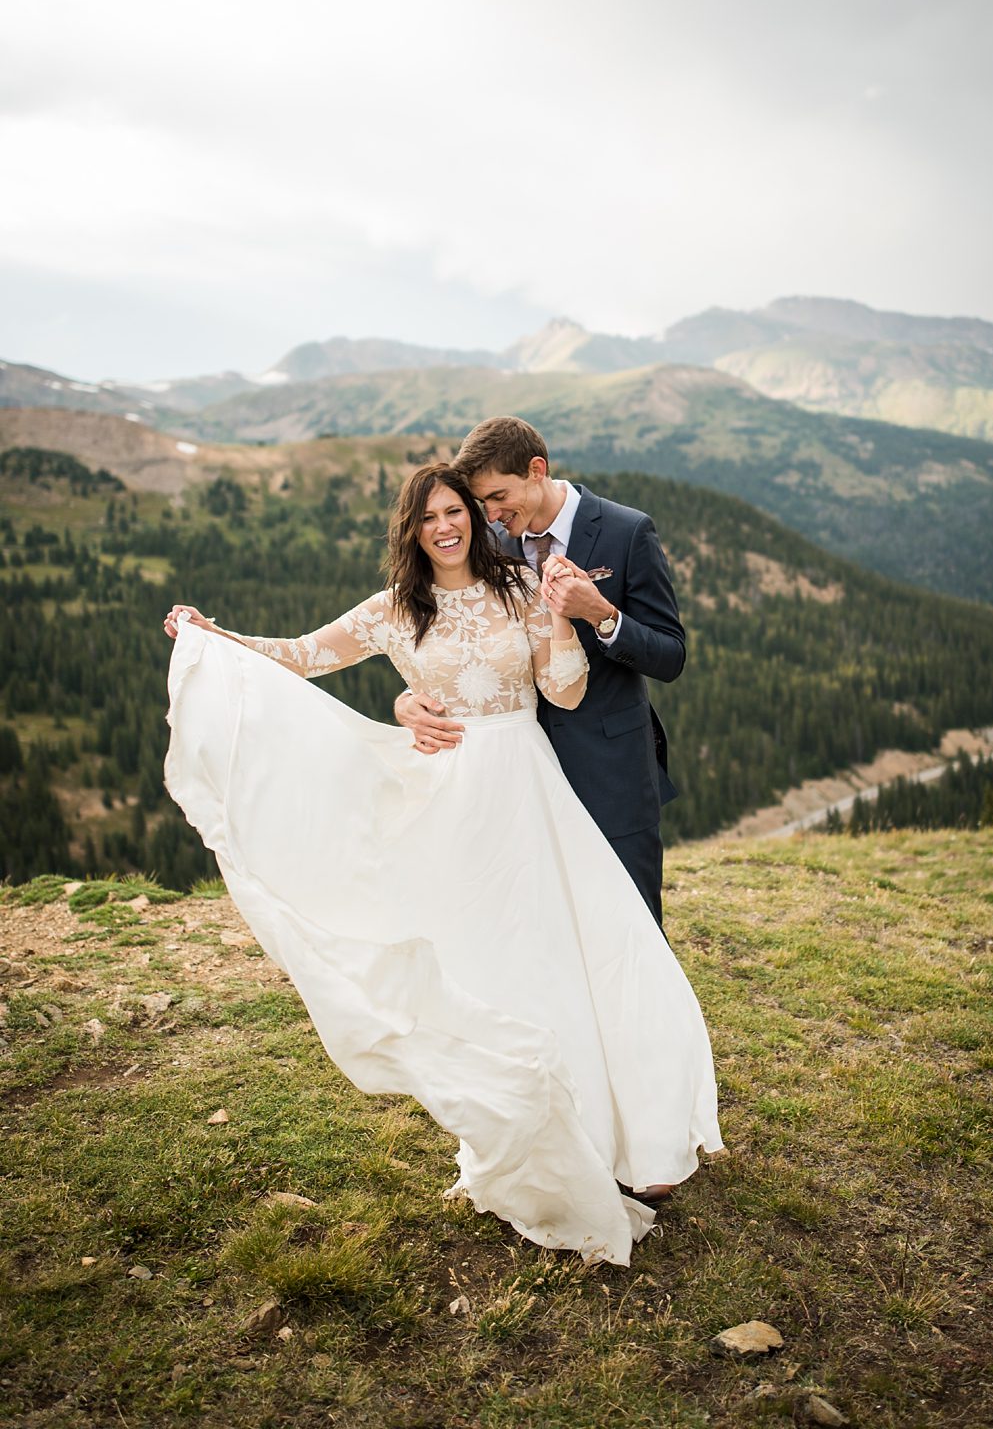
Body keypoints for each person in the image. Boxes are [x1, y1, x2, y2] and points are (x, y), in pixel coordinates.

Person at [162, 463, 722, 1265]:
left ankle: (620, 1134)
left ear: (474, 517)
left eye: (456, 511)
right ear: (412, 530)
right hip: (452, 801)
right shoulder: (394, 609)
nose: (446, 527)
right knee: (487, 967)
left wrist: (562, 622)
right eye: (429, 517)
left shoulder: (520, 587)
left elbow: (562, 696)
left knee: (578, 951)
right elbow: (302, 656)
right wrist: (217, 638)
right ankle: (522, 1136)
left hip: (528, 789)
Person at [396, 416, 687, 924]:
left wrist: (601, 613)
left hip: (609, 769)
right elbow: (452, 638)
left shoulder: (626, 531)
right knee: (541, 927)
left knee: (630, 922)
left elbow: (670, 655)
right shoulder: (488, 540)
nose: (490, 512)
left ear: (536, 470)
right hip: (518, 779)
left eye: (499, 496)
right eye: (482, 502)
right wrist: (407, 700)